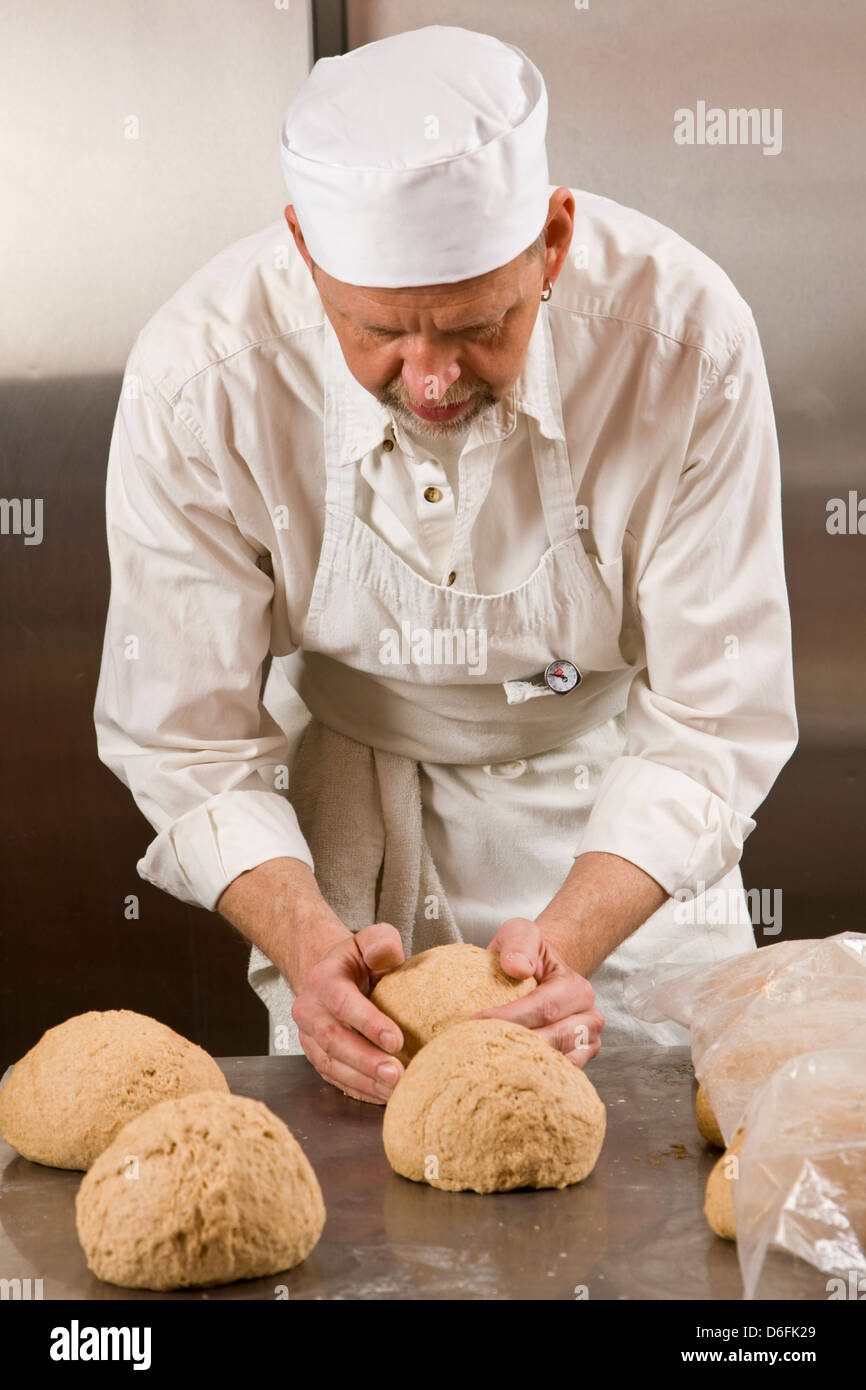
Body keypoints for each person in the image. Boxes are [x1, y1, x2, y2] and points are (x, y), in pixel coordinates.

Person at [93, 26, 798, 1106]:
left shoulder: (684, 342)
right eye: (377, 333)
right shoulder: (200, 378)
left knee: (656, 1147)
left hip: (622, 828)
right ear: (302, 249)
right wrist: (305, 943)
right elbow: (184, 734)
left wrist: (565, 947)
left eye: (477, 326)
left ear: (550, 242)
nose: (428, 379)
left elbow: (714, 716)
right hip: (344, 860)